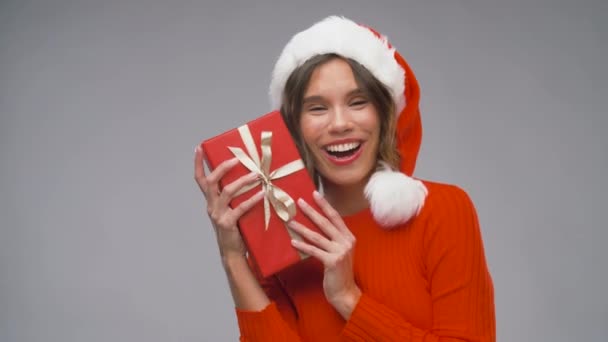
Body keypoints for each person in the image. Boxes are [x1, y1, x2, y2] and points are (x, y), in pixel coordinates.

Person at [194, 16, 495, 341]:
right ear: (293, 128)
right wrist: (234, 257)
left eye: (357, 102)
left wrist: (348, 298)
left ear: (386, 113)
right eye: (317, 108)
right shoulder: (286, 238)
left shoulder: (443, 211)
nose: (339, 124)